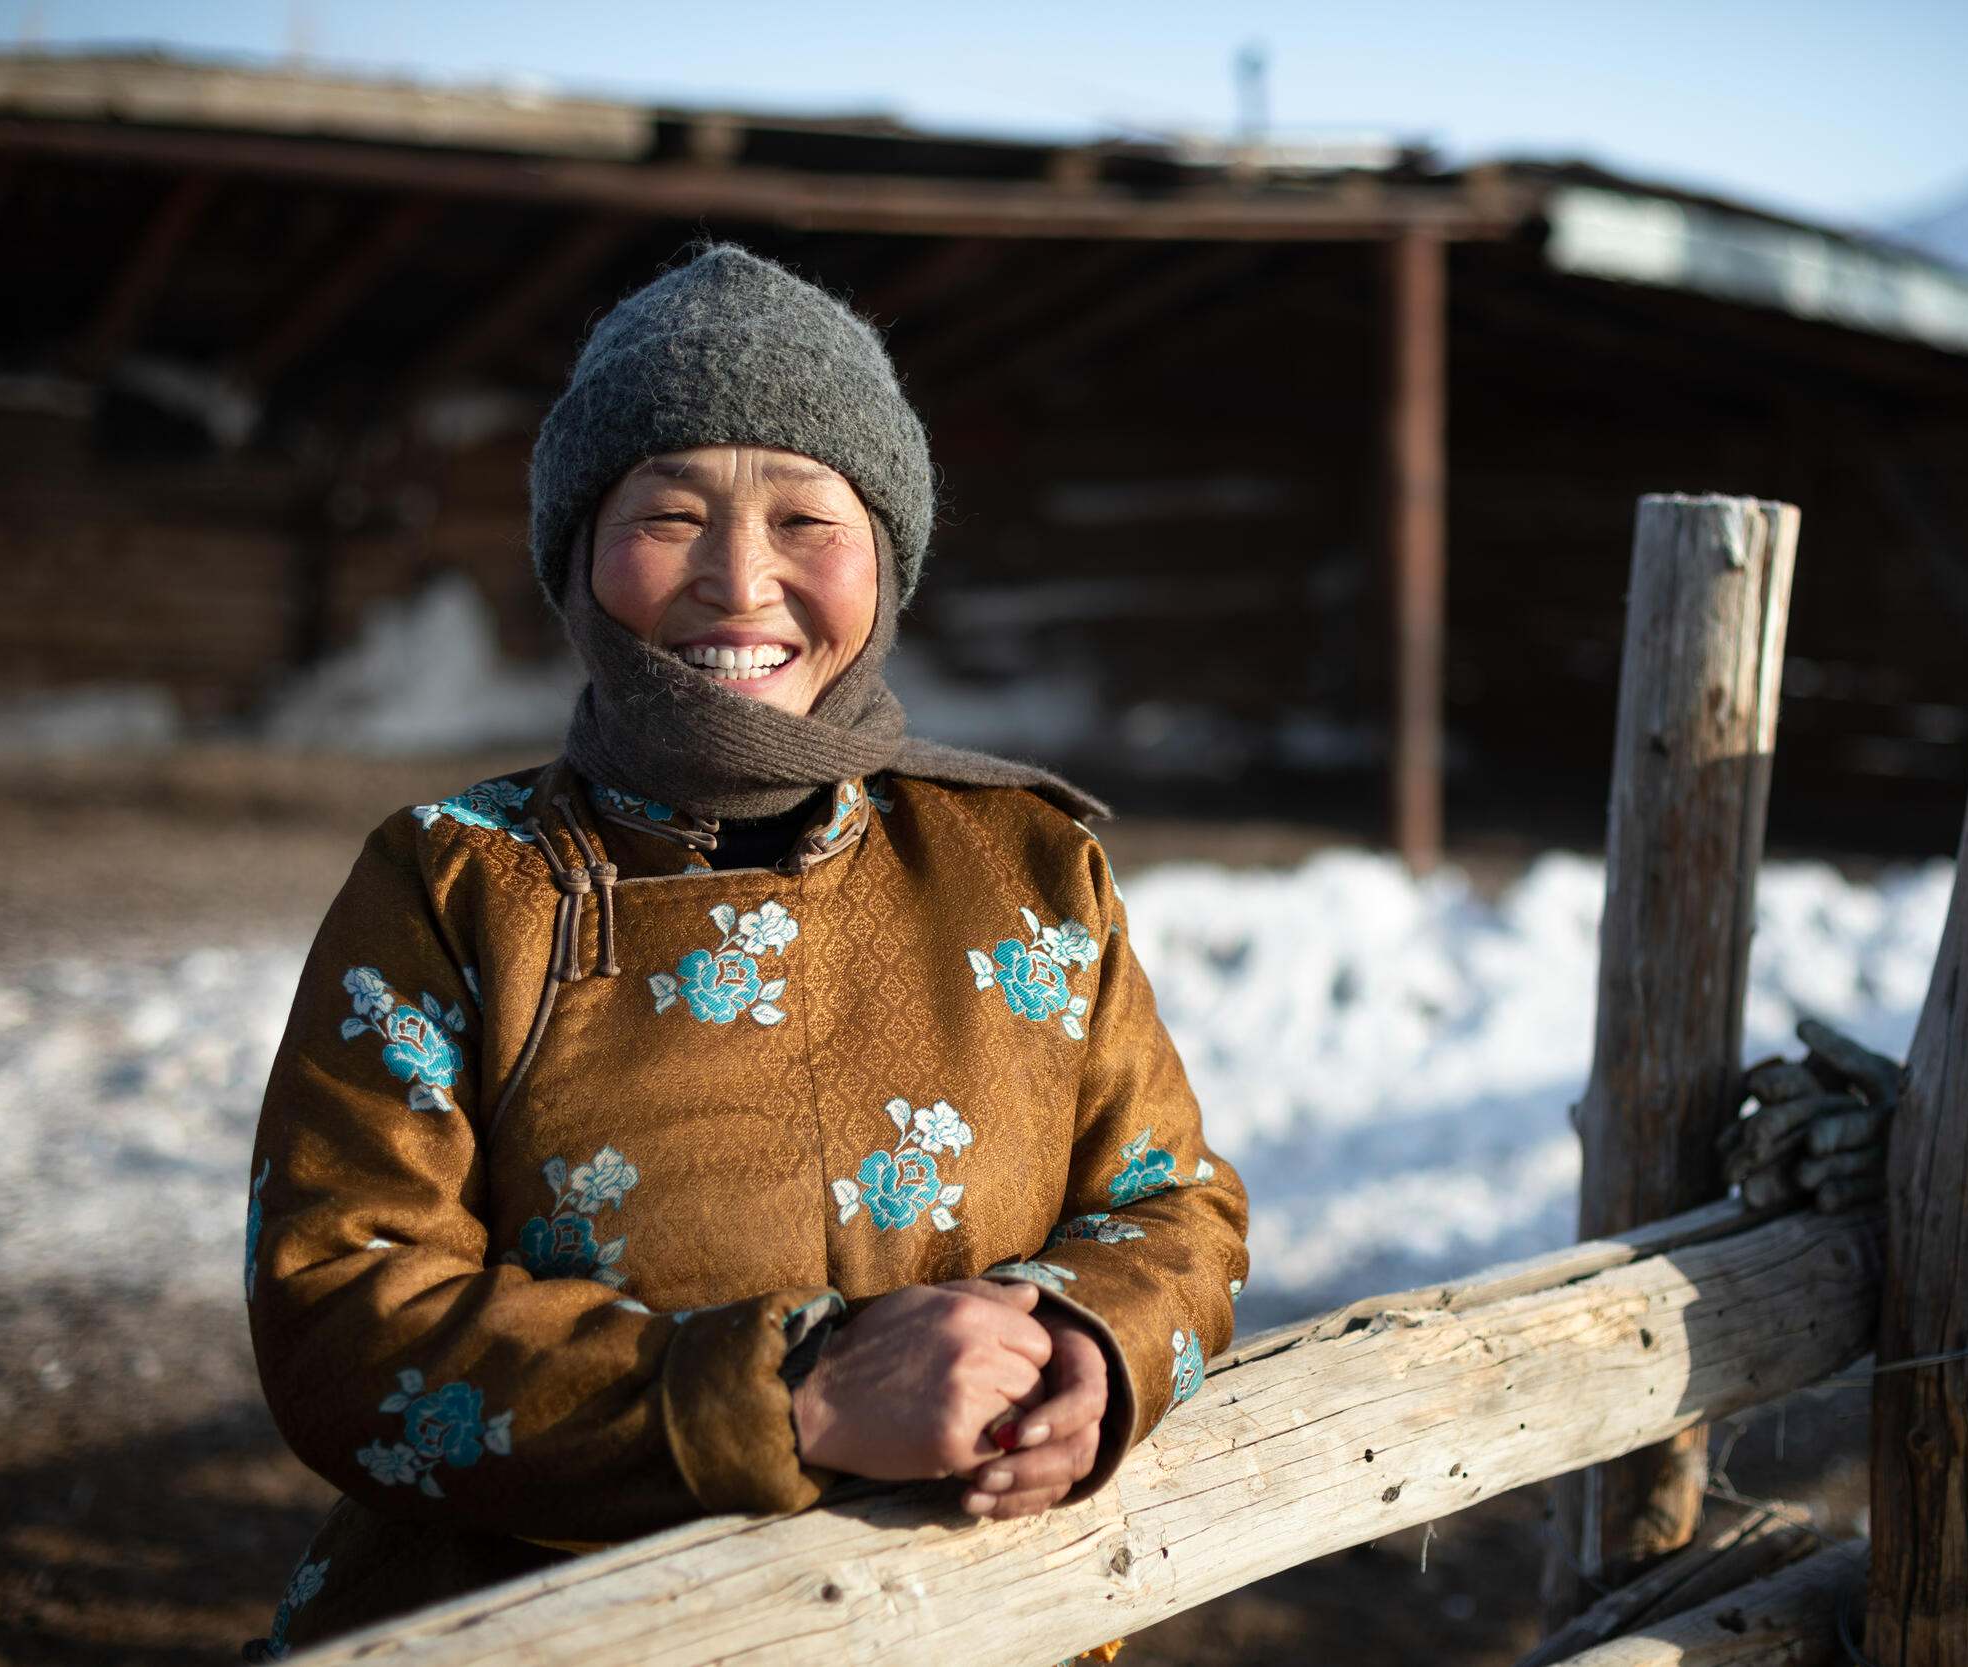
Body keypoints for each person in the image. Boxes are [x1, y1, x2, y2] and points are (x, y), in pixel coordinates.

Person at [240, 244, 1251, 1656]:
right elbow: (343, 1313)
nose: (738, 578)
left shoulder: (1026, 863)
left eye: (803, 517)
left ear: (883, 555)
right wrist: (793, 1399)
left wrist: (1089, 1346)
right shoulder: (460, 880)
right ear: (580, 552)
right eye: (669, 512)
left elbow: (1172, 1202)